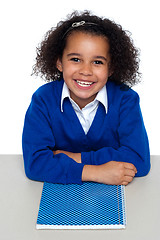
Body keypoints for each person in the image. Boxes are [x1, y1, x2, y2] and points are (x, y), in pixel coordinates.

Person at [22, 10, 150, 186]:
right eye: (75, 59)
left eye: (97, 62)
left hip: (112, 199)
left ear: (111, 67)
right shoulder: (43, 99)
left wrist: (76, 157)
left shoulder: (125, 99)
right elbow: (35, 163)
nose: (86, 71)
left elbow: (139, 160)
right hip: (58, 197)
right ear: (59, 62)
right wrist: (96, 172)